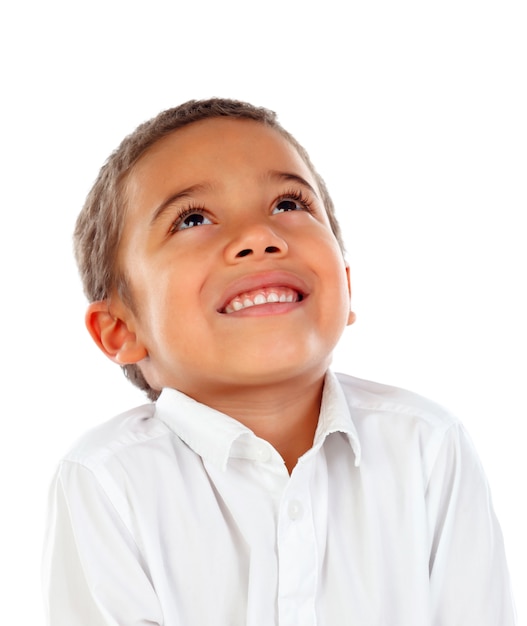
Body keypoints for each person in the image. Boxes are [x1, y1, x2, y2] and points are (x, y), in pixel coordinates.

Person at [43, 98, 516, 625]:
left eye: (289, 205)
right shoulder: (107, 481)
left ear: (347, 283)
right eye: (192, 218)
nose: (259, 238)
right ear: (120, 330)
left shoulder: (428, 446)